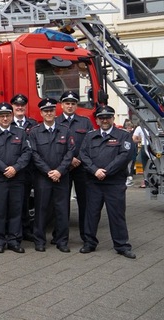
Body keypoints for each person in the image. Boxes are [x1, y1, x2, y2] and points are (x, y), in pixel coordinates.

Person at [79, 105, 137, 259]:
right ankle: (89, 243)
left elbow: (125, 156)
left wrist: (106, 171)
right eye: (101, 118)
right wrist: (95, 170)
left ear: (112, 118)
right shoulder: (90, 136)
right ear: (97, 120)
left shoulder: (123, 135)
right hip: (94, 182)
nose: (105, 120)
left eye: (108, 117)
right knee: (91, 214)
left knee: (117, 215)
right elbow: (83, 155)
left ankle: (122, 245)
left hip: (114, 183)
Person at [0, 102, 32, 253]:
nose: (5, 119)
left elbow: (27, 153)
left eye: (7, 115)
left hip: (16, 178)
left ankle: (14, 240)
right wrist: (4, 169)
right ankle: (0, 240)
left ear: (12, 116)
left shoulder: (21, 133)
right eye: (1, 116)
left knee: (16, 210)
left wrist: (15, 168)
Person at [29, 98, 75, 252]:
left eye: (51, 110)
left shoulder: (65, 130)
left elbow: (70, 152)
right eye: (45, 111)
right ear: (41, 113)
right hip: (43, 178)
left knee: (62, 210)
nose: (49, 113)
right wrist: (48, 171)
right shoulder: (34, 132)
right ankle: (40, 241)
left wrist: (59, 171)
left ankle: (62, 241)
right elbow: (33, 154)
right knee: (41, 210)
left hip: (62, 177)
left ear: (56, 112)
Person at [55, 90, 93, 244]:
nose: (70, 106)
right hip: (63, 168)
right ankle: (60, 235)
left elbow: (90, 145)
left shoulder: (85, 122)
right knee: (61, 203)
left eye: (73, 103)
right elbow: (53, 147)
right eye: (67, 103)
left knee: (84, 202)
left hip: (82, 168)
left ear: (76, 105)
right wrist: (69, 160)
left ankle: (86, 235)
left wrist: (79, 159)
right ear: (62, 105)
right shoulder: (55, 121)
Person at [11, 93, 38, 241]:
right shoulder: (8, 123)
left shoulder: (33, 125)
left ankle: (26, 230)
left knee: (26, 201)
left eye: (22, 105)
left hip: (30, 169)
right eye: (17, 105)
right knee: (16, 202)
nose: (19, 107)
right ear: (13, 107)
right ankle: (15, 231)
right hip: (15, 169)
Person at [133, 124, 150, 188]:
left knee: (145, 165)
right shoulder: (155, 125)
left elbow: (134, 139)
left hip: (145, 146)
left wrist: (141, 140)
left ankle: (146, 181)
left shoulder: (139, 127)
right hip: (156, 146)